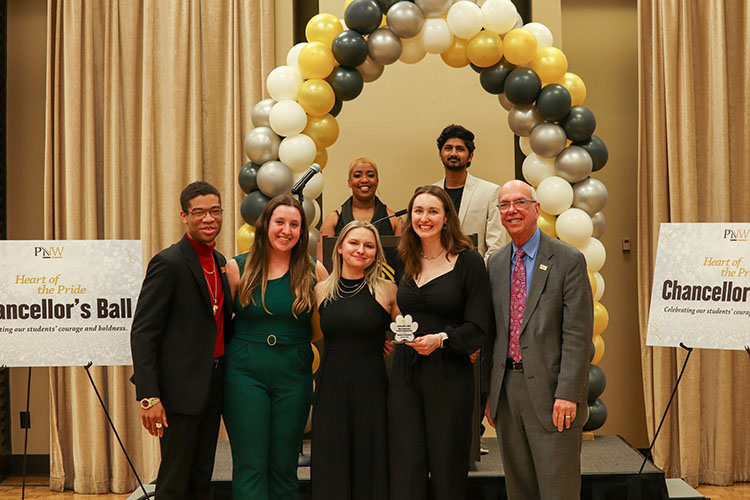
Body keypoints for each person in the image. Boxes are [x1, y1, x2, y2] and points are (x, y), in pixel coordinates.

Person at [484, 180, 593, 500]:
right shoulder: (496, 263)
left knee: (557, 490)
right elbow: (494, 333)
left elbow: (578, 334)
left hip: (553, 393)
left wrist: (568, 393)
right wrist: (491, 392)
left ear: (536, 208)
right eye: (504, 205)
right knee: (519, 489)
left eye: (519, 202)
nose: (512, 210)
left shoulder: (567, 259)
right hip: (507, 393)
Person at [131, 181, 232, 499]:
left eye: (215, 211)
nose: (209, 218)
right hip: (177, 393)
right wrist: (149, 396)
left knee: (202, 475)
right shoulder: (169, 263)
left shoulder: (220, 263)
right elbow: (144, 332)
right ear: (184, 216)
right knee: (175, 478)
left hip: (212, 385)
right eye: (199, 212)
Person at [389, 185, 492, 500]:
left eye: (433, 211)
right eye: (418, 211)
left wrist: (441, 339)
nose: (424, 218)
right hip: (406, 372)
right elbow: (394, 306)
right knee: (406, 465)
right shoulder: (403, 257)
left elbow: (480, 325)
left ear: (447, 218)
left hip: (449, 371)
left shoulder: (468, 261)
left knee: (448, 469)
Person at [224, 194, 328, 500]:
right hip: (244, 374)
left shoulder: (315, 271)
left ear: (302, 231)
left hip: (293, 375)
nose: (286, 230)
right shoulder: (237, 268)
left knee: (284, 466)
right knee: (251, 464)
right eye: (279, 222)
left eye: (294, 224)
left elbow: (320, 329)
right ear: (265, 224)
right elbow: (219, 324)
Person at [311, 220, 399, 500]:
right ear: (339, 248)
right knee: (331, 459)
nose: (361, 250)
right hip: (331, 387)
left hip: (371, 386)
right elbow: (312, 334)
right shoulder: (321, 290)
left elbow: (407, 333)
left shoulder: (388, 291)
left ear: (376, 253)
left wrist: (392, 343)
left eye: (369, 245)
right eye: (354, 243)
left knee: (368, 460)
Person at [317, 156, 402, 280]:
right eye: (357, 175)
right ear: (349, 182)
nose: (364, 180)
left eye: (370, 175)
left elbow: (403, 266)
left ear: (377, 181)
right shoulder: (333, 219)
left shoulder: (395, 220)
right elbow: (322, 267)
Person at [432, 124, 505, 258]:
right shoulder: (430, 194)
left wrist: (479, 274)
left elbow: (496, 246)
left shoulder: (490, 192)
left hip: (475, 273)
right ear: (440, 154)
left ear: (470, 156)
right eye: (448, 148)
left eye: (460, 149)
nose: (453, 153)